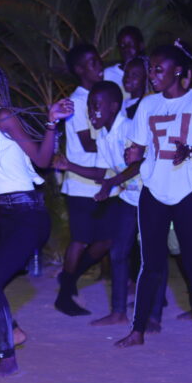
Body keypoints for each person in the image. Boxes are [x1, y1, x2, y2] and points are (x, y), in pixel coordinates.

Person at [0, 62, 73, 376]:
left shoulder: (1, 117)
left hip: (29, 216)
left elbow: (42, 160)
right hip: (7, 215)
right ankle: (15, 331)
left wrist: (51, 124)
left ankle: (8, 357)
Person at [115, 42, 192, 352]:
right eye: (152, 69)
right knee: (150, 265)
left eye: (158, 69)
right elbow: (139, 148)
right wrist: (133, 153)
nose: (152, 75)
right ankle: (137, 330)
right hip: (153, 191)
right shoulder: (148, 105)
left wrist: (190, 151)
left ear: (177, 71)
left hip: (188, 192)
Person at [54, 81, 141, 326]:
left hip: (148, 197)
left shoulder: (129, 129)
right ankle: (118, 311)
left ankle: (150, 315)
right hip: (126, 197)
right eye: (90, 107)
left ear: (114, 107)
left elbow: (140, 163)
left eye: (96, 107)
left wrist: (112, 182)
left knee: (141, 253)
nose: (91, 113)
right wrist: (70, 166)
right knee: (115, 250)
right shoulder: (103, 135)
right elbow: (102, 171)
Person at [57, 44, 107, 316]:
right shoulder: (78, 101)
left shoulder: (100, 96)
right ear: (79, 70)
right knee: (80, 239)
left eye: (99, 61)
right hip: (80, 181)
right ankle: (64, 296)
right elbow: (88, 143)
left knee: (106, 240)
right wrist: (117, 143)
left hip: (101, 182)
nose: (99, 66)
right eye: (91, 63)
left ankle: (69, 280)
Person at [103, 26, 145, 111]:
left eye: (130, 45)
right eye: (122, 46)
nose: (126, 50)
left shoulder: (149, 72)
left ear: (141, 46)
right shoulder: (108, 74)